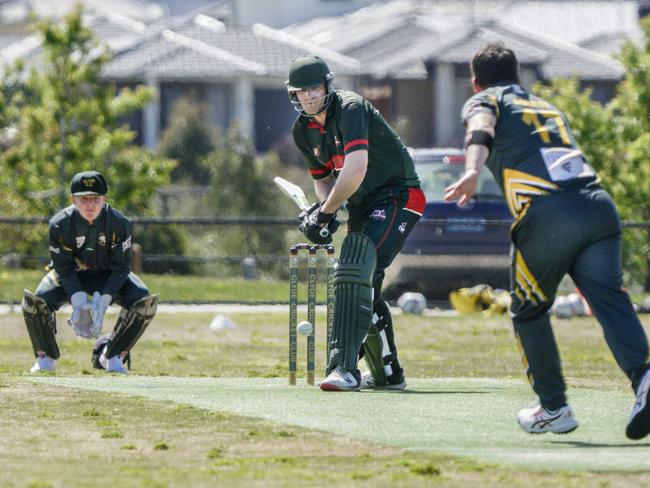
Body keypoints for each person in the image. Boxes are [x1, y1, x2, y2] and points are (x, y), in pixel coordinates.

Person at [444, 43, 650, 440]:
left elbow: (481, 125)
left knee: (528, 312)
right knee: (609, 299)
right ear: (519, 75)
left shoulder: (484, 99)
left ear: (475, 82)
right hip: (598, 205)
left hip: (548, 214)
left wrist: (472, 170)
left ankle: (553, 407)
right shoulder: (548, 107)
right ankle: (644, 377)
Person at [287, 54, 426, 391]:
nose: (310, 96)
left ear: (327, 86)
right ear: (294, 95)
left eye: (315, 88)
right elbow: (324, 178)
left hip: (398, 195)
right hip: (364, 205)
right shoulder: (302, 130)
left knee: (351, 269)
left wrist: (326, 210)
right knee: (364, 283)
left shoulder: (351, 109)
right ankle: (388, 374)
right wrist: (325, 210)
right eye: (302, 91)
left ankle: (343, 369)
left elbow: (355, 168)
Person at [22, 170, 158, 374]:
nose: (90, 204)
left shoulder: (119, 224)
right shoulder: (59, 224)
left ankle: (112, 356)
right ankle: (45, 358)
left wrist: (103, 301)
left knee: (144, 302)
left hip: (109, 275)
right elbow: (63, 267)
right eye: (83, 199)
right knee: (35, 302)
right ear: (73, 200)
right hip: (70, 276)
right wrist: (77, 300)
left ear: (105, 199)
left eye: (95, 198)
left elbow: (122, 267)